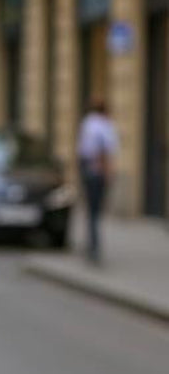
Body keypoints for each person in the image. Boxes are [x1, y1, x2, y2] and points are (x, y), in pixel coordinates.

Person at [75, 95, 119, 263]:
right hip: (98, 171)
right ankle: (94, 247)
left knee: (91, 211)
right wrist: (108, 175)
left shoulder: (87, 123)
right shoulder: (105, 126)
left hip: (87, 169)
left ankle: (92, 245)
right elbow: (106, 151)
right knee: (96, 211)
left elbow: (81, 149)